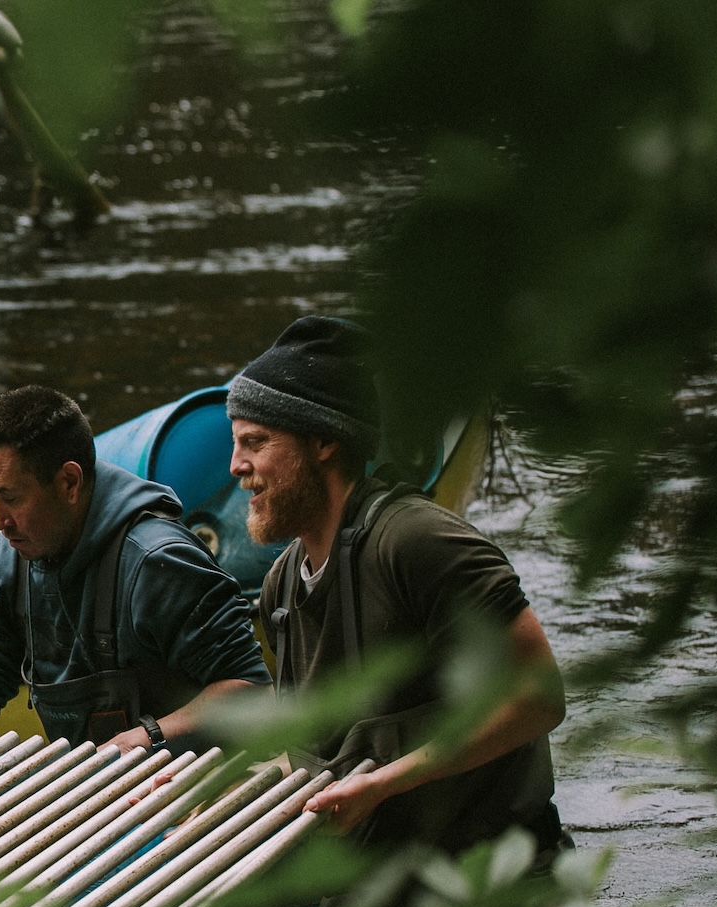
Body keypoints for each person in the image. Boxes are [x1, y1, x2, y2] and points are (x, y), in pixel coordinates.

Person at [226, 315, 569, 861]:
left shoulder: (419, 541)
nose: (236, 466)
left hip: (485, 880)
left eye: (256, 442)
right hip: (371, 877)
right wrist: (206, 795)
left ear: (322, 441)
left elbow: (539, 697)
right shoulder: (281, 588)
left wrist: (387, 783)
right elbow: (314, 752)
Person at [0, 386, 269, 750]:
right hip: (97, 787)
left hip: (196, 784)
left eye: (10, 498)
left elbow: (250, 688)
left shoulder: (158, 562)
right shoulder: (9, 559)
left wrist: (147, 738)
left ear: (69, 482)